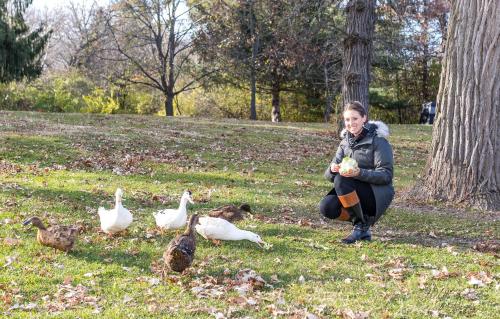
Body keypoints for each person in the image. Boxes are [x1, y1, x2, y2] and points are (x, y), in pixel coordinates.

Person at [320, 101, 394, 244]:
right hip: (351, 189)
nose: (351, 123)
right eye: (347, 119)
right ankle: (362, 225)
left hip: (377, 193)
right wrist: (332, 169)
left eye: (355, 118)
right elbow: (328, 176)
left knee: (342, 180)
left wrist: (358, 173)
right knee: (327, 207)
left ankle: (359, 227)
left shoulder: (378, 141)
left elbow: (386, 175)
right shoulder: (344, 143)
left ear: (364, 118)